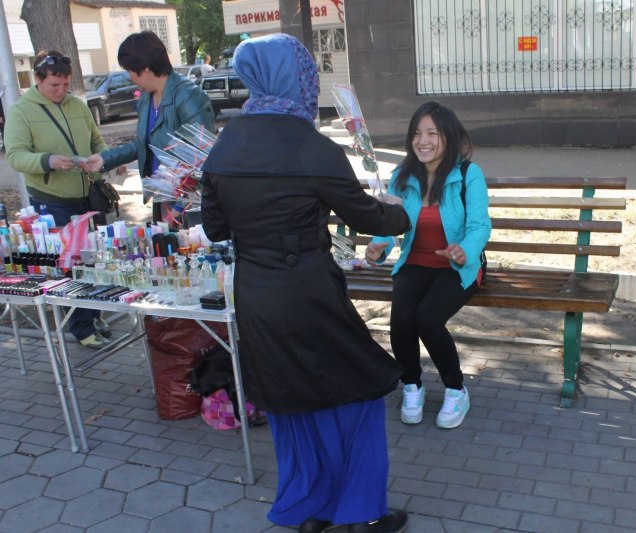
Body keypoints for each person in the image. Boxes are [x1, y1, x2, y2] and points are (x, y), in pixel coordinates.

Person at [200, 34, 411, 533]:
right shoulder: (313, 146)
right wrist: (401, 211)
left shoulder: (225, 144)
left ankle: (310, 509)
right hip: (309, 295)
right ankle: (360, 513)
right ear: (298, 79)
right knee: (358, 393)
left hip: (257, 296)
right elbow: (371, 218)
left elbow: (215, 228)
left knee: (290, 402)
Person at [365, 101, 491, 429]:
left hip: (457, 266)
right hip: (415, 262)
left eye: (432, 133)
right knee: (401, 319)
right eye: (417, 133)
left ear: (448, 136)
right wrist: (380, 244)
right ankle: (412, 385)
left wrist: (464, 250)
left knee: (428, 319)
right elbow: (392, 222)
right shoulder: (402, 175)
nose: (423, 141)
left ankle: (456, 389)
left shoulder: (468, 174)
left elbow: (480, 226)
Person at [4, 50, 111, 349]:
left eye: (65, 84)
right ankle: (81, 327)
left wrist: (102, 159)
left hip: (88, 196)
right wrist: (48, 160)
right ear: (38, 80)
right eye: (54, 85)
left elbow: (97, 141)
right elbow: (15, 156)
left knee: (94, 260)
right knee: (69, 266)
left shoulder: (78, 105)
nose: (61, 90)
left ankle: (95, 314)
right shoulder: (21, 111)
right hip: (53, 200)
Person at [84, 31, 214, 228]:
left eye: (129, 70)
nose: (129, 77)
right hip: (163, 196)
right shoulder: (147, 97)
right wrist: (105, 158)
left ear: (145, 68)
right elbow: (144, 143)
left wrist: (179, 209)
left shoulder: (189, 96)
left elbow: (200, 158)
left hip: (189, 203)